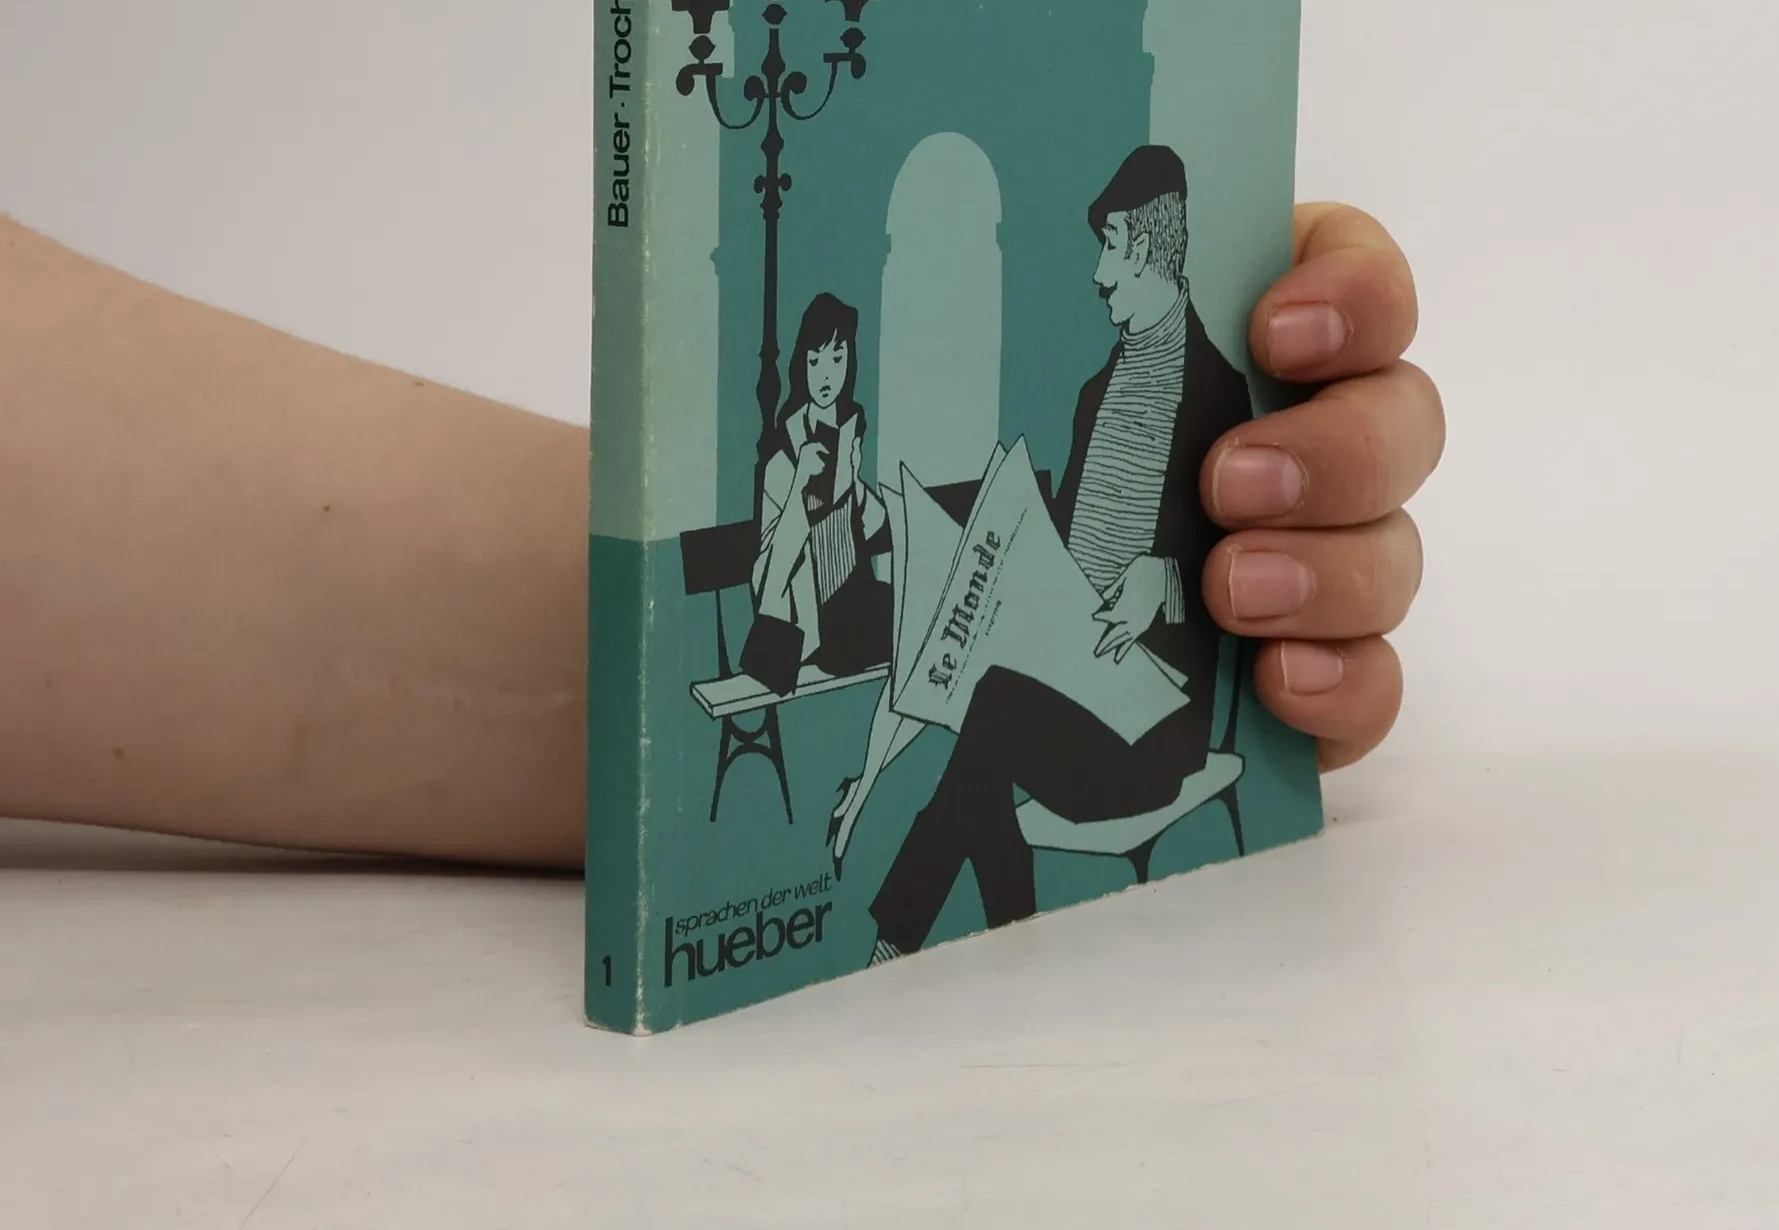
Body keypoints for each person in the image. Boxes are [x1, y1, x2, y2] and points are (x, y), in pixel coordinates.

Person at [0, 201, 1443, 869]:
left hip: (1001, 669)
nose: (1095, 277)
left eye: (1111, 253)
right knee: (960, 774)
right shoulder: (899, 428)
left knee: (966, 760)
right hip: (823, 634)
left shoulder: (1163, 382)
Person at [866, 146, 1250, 958]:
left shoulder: (1218, 392)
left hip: (1156, 730)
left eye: (1111, 248)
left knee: (991, 717)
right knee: (988, 721)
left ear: (1149, 247)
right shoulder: (1093, 396)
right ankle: (1000, 943)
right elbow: (1065, 547)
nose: (1098, 275)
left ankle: (919, 938)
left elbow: (1245, 551)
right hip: (1072, 690)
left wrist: (1167, 583)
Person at [747, 293, 892, 690]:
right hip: (810, 626)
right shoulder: (781, 464)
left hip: (853, 600)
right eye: (815, 362)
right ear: (802, 366)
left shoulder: (848, 432)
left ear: (849, 363)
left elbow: (877, 529)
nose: (826, 375)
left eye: (837, 359)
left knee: (915, 616)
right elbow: (767, 582)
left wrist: (854, 481)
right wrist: (799, 488)